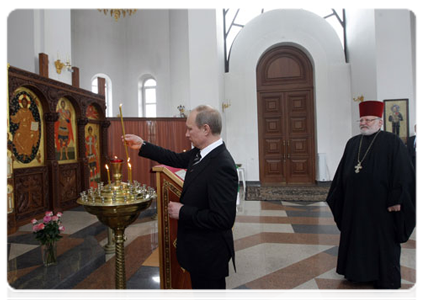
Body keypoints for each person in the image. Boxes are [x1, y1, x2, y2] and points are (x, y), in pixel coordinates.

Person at [123, 105, 238, 299]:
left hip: (210, 254)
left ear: (206, 129)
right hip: (199, 250)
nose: (186, 134)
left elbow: (224, 219)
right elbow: (174, 158)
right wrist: (143, 145)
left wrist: (183, 211)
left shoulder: (222, 164)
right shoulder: (199, 153)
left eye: (190, 129)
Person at [326, 100, 419, 298]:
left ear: (379, 122)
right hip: (355, 204)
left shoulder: (392, 142)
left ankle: (387, 281)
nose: (364, 123)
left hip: (382, 206)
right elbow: (343, 172)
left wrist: (397, 199)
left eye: (368, 120)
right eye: (361, 120)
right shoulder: (353, 143)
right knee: (357, 238)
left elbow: (403, 173)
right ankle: (359, 273)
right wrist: (339, 196)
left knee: (383, 243)